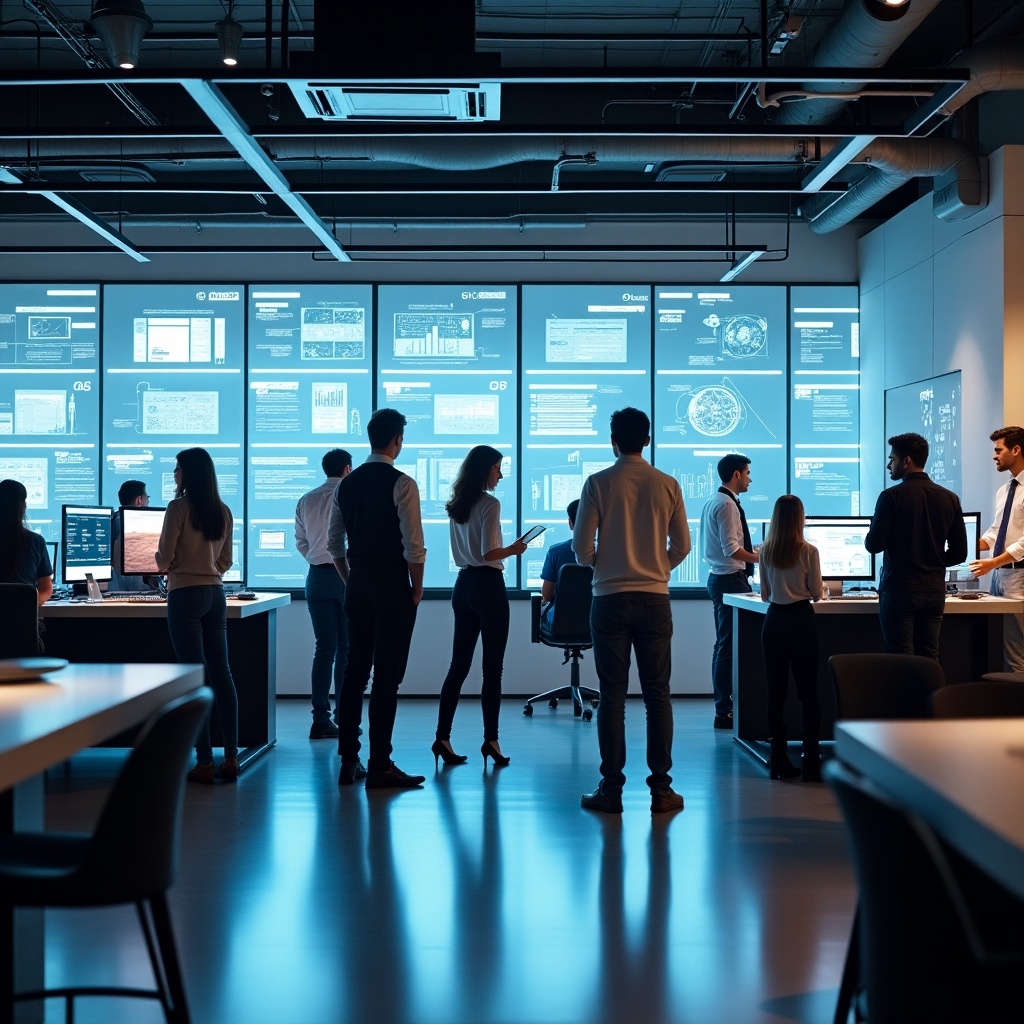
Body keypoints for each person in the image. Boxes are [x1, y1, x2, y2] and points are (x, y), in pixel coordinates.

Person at [572, 407, 691, 814]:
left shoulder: (597, 483)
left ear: (612, 440)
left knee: (612, 697)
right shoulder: (668, 484)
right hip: (655, 600)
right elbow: (683, 547)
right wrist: (657, 567)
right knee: (658, 696)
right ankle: (661, 790)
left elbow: (581, 550)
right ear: (648, 439)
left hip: (609, 600)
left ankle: (611, 790)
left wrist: (606, 563)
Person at [329, 408, 427, 790]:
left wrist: (351, 579)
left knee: (354, 674)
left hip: (358, 586)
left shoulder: (345, 485)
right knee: (387, 678)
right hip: (391, 586)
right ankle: (381, 763)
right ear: (397, 441)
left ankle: (348, 761)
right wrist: (416, 589)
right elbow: (413, 548)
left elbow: (333, 545)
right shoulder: (403, 483)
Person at [433, 446, 527, 769]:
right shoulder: (491, 504)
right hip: (488, 588)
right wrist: (515, 549)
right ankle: (491, 740)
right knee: (492, 669)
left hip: (463, 586)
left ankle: (442, 738)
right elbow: (489, 553)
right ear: (485, 469)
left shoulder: (456, 505)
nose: (500, 475)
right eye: (498, 468)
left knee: (457, 667)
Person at [155, 448, 239, 784]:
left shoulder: (177, 508)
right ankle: (231, 757)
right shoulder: (223, 510)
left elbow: (163, 558)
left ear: (187, 473)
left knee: (194, 678)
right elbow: (227, 560)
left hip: (184, 595)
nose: (174, 474)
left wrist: (176, 567)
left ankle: (204, 762)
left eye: (177, 468)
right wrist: (207, 569)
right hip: (215, 594)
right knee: (223, 675)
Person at [864, 432, 967, 658]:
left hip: (899, 589)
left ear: (907, 461)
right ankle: (931, 695)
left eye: (892, 459)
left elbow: (874, 545)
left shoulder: (891, 497)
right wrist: (934, 561)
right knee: (929, 657)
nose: (889, 465)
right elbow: (960, 553)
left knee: (900, 659)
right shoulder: (949, 498)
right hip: (933, 591)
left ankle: (904, 696)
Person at [759, 495, 827, 782]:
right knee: (808, 693)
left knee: (776, 696)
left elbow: (764, 595)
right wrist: (820, 587)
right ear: (800, 518)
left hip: (773, 622)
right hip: (800, 621)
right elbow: (815, 593)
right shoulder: (809, 551)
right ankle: (811, 761)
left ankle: (778, 761)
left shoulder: (766, 552)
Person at [295, 449, 353, 739]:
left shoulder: (306, 498)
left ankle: (320, 719)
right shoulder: (350, 494)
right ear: (347, 468)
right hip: (346, 576)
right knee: (346, 649)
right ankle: (345, 715)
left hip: (316, 576)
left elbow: (301, 542)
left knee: (324, 649)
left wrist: (315, 559)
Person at [701, 453, 758, 731]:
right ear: (736, 475)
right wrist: (765, 558)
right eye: (747, 473)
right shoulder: (726, 505)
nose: (749, 478)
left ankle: (724, 709)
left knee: (723, 646)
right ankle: (724, 711)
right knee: (726, 648)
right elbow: (732, 550)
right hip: (729, 579)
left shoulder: (718, 500)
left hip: (722, 578)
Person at [969, 425, 1024, 672]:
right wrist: (966, 545)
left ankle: (1015, 708)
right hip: (1000, 575)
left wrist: (993, 562)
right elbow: (994, 532)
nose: (994, 455)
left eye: (998, 450)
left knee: (1017, 650)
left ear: (1016, 449)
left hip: (1019, 576)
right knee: (997, 645)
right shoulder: (1005, 490)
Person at [0, 479, 53, 651]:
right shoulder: (36, 542)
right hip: (24, 636)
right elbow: (46, 589)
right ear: (22, 506)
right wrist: (25, 605)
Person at [539, 498, 579, 627]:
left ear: (570, 523)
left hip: (561, 621)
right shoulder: (607, 552)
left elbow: (547, 595)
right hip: (598, 621)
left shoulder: (556, 552)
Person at [110, 479, 155, 592]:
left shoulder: (113, 521)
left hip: (113, 593)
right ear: (139, 500)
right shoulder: (133, 526)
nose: (148, 502)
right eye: (147, 498)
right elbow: (136, 584)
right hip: (132, 594)